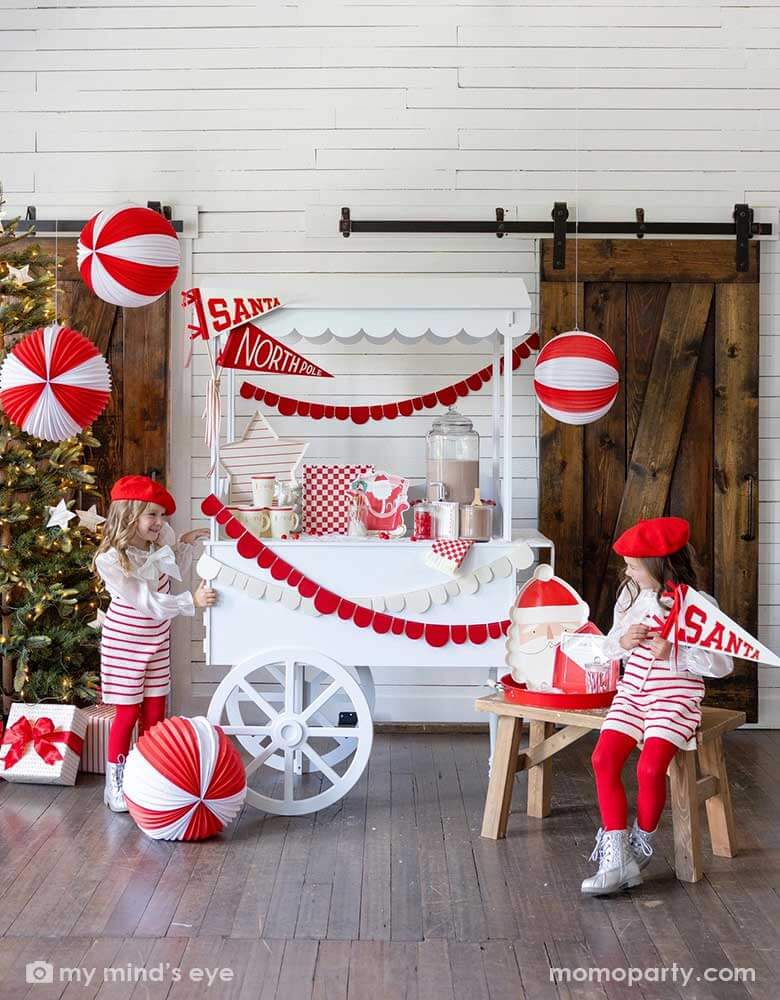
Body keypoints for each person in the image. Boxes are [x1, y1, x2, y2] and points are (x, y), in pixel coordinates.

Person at [581, 517, 733, 896]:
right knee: (603, 759)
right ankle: (615, 856)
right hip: (632, 693)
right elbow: (607, 648)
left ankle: (639, 845)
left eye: (633, 565)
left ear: (657, 564)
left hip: (675, 696)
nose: (627, 571)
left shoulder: (700, 606)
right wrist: (624, 641)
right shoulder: (629, 597)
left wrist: (677, 651)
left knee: (651, 767)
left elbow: (723, 664)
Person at [93, 475, 217, 811]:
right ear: (130, 515)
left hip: (156, 638)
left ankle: (149, 775)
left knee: (154, 710)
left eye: (162, 515)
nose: (160, 523)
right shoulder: (111, 560)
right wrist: (190, 601)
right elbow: (148, 601)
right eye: (152, 515)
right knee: (127, 713)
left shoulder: (161, 540)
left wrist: (184, 544)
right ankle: (115, 784)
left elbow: (169, 563)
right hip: (125, 641)